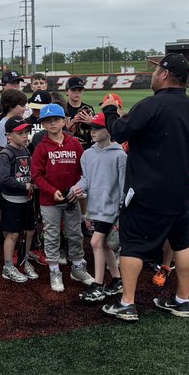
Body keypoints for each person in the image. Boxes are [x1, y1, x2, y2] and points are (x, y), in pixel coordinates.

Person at [101, 54, 189, 322]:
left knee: (133, 246)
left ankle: (127, 303)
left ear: (164, 74)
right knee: (182, 245)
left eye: (157, 69)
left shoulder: (151, 105)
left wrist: (110, 110)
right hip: (182, 190)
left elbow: (120, 132)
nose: (153, 74)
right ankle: (182, 301)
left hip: (147, 191)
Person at [31, 102, 87, 292]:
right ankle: (54, 270)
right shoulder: (42, 147)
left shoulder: (74, 143)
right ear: (44, 125)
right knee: (52, 235)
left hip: (71, 198)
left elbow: (82, 170)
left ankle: (78, 267)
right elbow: (36, 175)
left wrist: (77, 188)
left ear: (64, 121)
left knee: (75, 234)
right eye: (48, 121)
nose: (52, 124)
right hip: (49, 201)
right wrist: (50, 191)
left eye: (56, 119)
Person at [71, 113, 127, 302]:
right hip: (95, 208)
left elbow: (123, 186)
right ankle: (117, 280)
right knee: (103, 244)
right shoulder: (88, 154)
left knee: (96, 243)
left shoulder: (120, 155)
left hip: (111, 210)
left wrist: (120, 213)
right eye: (91, 128)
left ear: (109, 131)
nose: (92, 132)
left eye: (97, 128)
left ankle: (98, 285)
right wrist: (77, 188)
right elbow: (86, 179)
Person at [0, 116, 38, 283]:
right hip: (11, 200)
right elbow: (3, 179)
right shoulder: (6, 154)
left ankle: (23, 260)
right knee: (13, 234)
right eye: (20, 133)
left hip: (26, 200)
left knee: (29, 231)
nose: (25, 136)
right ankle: (8, 266)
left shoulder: (25, 150)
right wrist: (24, 186)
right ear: (9, 135)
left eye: (26, 132)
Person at [63, 76, 95, 149]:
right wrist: (71, 124)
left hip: (87, 147)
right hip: (68, 148)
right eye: (73, 90)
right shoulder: (62, 109)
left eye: (80, 90)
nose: (77, 93)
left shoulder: (89, 108)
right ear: (67, 91)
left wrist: (91, 122)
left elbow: (97, 130)